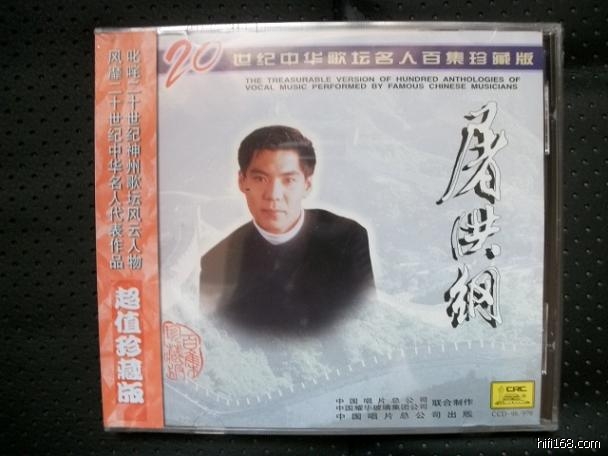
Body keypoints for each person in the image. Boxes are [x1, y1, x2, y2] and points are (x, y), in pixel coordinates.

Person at [200, 125, 374, 334]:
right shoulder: (215, 263)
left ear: (307, 185)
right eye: (260, 179)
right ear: (242, 181)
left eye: (288, 180)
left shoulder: (348, 239)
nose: (273, 195)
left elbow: (367, 323)